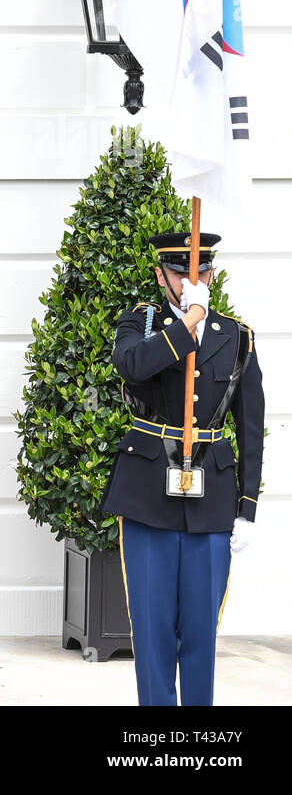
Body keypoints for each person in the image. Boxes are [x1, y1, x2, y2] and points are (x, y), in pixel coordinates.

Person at [101, 231, 263, 706]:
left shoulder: (235, 336)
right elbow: (133, 366)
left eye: (202, 271)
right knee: (151, 629)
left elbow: (250, 426)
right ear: (161, 276)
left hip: (211, 493)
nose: (193, 279)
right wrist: (189, 320)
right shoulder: (140, 323)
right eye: (180, 272)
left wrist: (247, 507)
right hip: (147, 492)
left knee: (199, 628)